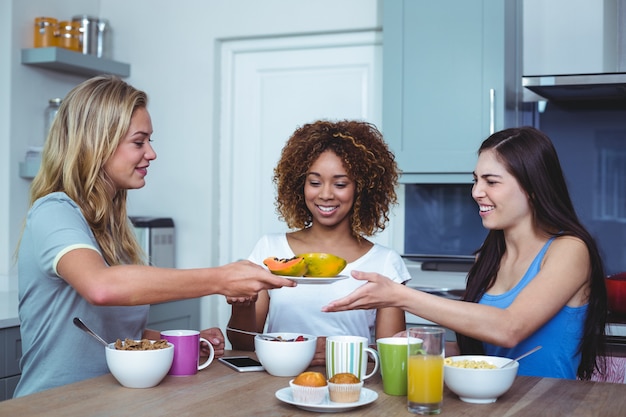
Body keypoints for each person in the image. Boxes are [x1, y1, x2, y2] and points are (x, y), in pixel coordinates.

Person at [14, 75, 295, 398]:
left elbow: (107, 334)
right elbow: (101, 288)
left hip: (109, 401)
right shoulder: (54, 211)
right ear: (96, 142)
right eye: (139, 142)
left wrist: (176, 344)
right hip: (53, 405)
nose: (151, 153)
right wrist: (220, 279)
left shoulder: (113, 229)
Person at [323, 126, 607, 380]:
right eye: (476, 180)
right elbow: (485, 352)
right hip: (489, 405)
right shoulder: (489, 256)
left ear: (532, 187)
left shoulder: (569, 250)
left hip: (549, 406)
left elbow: (510, 329)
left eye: (491, 182)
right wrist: (424, 345)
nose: (476, 192)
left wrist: (401, 296)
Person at [226, 120, 411, 365]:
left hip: (349, 386)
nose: (325, 194)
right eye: (314, 182)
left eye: (340, 184)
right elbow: (242, 344)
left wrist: (340, 352)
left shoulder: (385, 263)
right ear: (299, 185)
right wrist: (242, 306)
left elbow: (391, 358)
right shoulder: (269, 249)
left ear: (361, 188)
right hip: (275, 384)